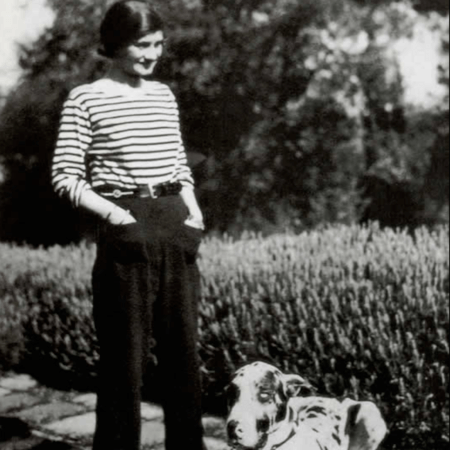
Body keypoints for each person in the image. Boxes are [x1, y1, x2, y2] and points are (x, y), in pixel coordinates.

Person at [51, 1, 208, 449]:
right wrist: (117, 215)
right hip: (126, 226)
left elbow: (179, 164)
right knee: (125, 365)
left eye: (158, 44)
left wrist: (193, 212)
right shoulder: (85, 98)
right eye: (143, 44)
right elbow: (65, 177)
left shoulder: (163, 95)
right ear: (116, 43)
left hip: (175, 224)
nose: (152, 54)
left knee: (183, 359)